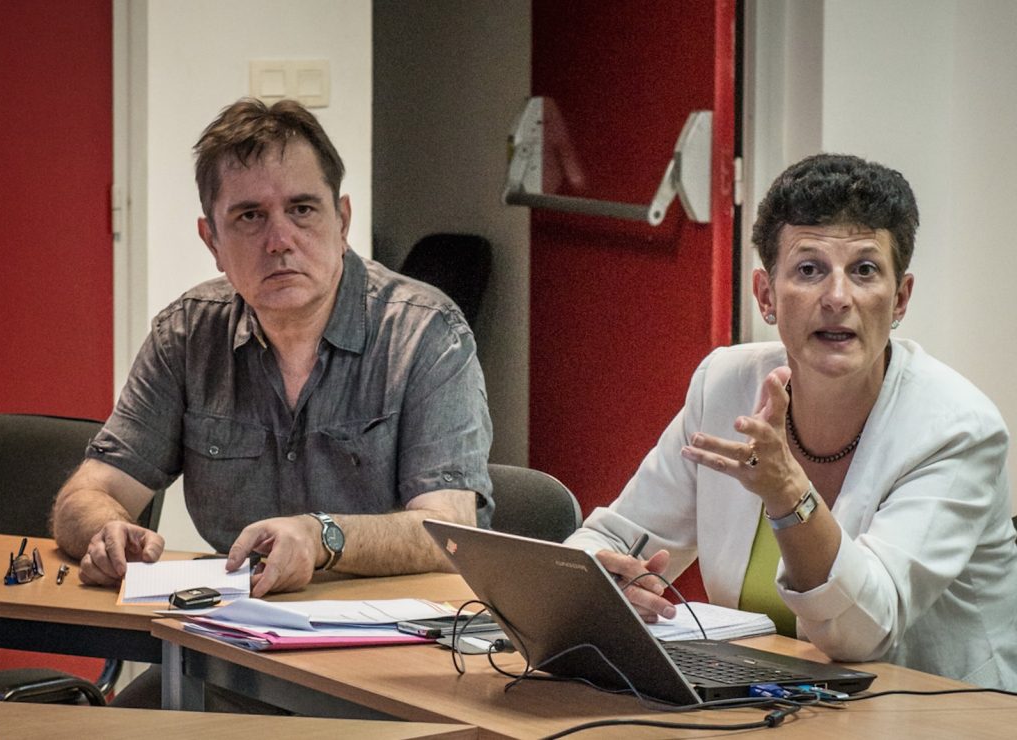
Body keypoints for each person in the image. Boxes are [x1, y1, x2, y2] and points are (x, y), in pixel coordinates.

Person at [566, 153, 1017, 690]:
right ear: (766, 295)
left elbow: (864, 633)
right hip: (769, 698)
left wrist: (788, 494)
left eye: (865, 270)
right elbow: (607, 540)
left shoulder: (957, 429)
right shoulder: (725, 384)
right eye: (809, 270)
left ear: (900, 300)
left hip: (937, 710)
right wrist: (608, 582)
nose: (837, 298)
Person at [52, 98, 493, 598]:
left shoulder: (426, 332)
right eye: (250, 216)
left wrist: (322, 537)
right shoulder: (187, 334)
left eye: (302, 210)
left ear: (342, 222)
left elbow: (448, 532)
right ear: (212, 241)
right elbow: (87, 493)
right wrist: (105, 531)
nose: (279, 240)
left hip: (386, 629)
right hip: (231, 627)